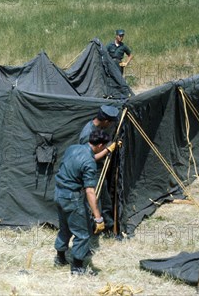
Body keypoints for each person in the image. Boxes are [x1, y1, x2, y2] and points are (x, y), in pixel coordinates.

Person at [53, 129, 114, 275]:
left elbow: (81, 161)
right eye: (104, 146)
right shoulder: (89, 162)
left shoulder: (72, 148)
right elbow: (90, 192)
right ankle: (78, 268)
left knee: (65, 228)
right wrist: (98, 217)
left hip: (58, 193)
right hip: (72, 198)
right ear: (99, 145)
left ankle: (60, 258)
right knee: (82, 234)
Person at [78, 105, 119, 232]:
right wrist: (108, 150)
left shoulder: (98, 127)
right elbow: (89, 158)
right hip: (92, 172)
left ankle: (108, 227)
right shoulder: (88, 133)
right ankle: (98, 228)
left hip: (99, 170)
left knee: (105, 200)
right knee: (96, 202)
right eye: (111, 122)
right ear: (106, 121)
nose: (111, 125)